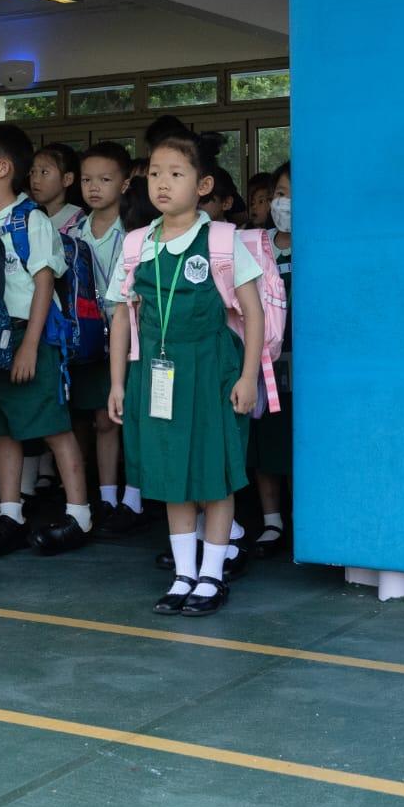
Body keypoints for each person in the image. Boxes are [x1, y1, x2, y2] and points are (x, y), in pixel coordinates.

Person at [106, 132, 266, 615]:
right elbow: (121, 316)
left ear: (203, 185)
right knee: (170, 471)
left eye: (176, 174)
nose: (162, 183)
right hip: (157, 374)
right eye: (155, 173)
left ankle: (212, 575)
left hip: (213, 370)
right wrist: (118, 382)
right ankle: (183, 574)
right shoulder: (136, 243)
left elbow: (253, 312)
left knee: (215, 474)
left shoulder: (220, 239)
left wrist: (248, 377)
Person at [0, 123, 92, 557]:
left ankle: (79, 514)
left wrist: (30, 346)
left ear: (1, 167)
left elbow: (44, 284)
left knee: (53, 427)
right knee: (3, 430)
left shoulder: (30, 219)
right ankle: (10, 513)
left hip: (28, 334)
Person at [73, 142, 142, 535]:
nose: (94, 187)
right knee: (102, 420)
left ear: (125, 183)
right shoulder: (73, 232)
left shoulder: (136, 233)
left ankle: (134, 497)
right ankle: (107, 497)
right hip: (89, 340)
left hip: (129, 337)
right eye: (87, 180)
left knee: (128, 417)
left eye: (104, 179)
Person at [249, 161, 295, 557]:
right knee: (265, 441)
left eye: (294, 195)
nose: (285, 203)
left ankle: (301, 519)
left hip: (305, 363)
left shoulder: (320, 242)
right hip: (262, 361)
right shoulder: (256, 244)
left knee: (297, 440)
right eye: (280, 194)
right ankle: (271, 521)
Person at [29, 143, 84, 235]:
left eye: (44, 172)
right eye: (32, 172)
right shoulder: (24, 216)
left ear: (67, 179)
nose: (35, 180)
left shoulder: (80, 224)